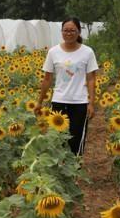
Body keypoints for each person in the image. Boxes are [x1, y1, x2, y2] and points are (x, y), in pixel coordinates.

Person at [34, 17, 98, 156]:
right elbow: (47, 79)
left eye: (72, 30)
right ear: (61, 32)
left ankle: (73, 174)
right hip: (59, 102)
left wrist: (91, 103)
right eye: (66, 30)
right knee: (57, 140)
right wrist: (39, 102)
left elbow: (91, 79)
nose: (69, 33)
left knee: (76, 142)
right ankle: (59, 175)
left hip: (80, 103)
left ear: (79, 32)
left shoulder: (87, 52)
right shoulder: (53, 52)